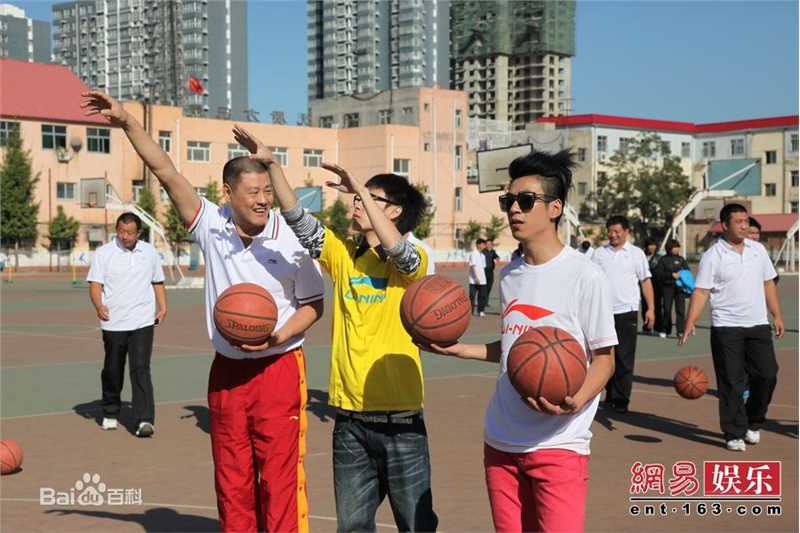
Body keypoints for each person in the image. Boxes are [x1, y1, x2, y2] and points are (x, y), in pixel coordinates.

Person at [82, 92, 325, 532]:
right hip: (228, 370)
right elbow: (165, 170)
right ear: (228, 193)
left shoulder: (291, 240)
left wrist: (276, 336)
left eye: (267, 192)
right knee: (231, 477)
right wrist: (126, 122)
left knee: (280, 478)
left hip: (279, 368)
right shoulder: (211, 225)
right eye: (253, 193)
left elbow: (313, 306)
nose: (262, 201)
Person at [230, 126, 438, 532]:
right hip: (350, 423)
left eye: (369, 200)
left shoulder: (415, 261)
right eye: (357, 198)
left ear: (393, 211)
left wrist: (357, 185)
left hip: (401, 423)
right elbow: (298, 220)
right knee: (352, 527)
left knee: (416, 525)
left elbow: (400, 252)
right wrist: (272, 166)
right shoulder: (345, 256)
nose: (356, 204)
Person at [424, 149, 616, 532]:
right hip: (501, 441)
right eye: (508, 201)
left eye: (525, 201)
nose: (514, 209)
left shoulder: (585, 275)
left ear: (555, 208)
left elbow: (605, 359)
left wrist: (575, 401)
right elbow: (516, 350)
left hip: (559, 444)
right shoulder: (511, 274)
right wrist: (461, 349)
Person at [680, 203, 784, 452]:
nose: (744, 226)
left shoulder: (758, 250)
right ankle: (733, 432)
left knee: (767, 375)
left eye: (746, 221)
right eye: (739, 222)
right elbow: (702, 290)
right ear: (725, 225)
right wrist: (690, 321)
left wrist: (777, 315)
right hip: (727, 328)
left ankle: (753, 421)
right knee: (732, 382)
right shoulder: (712, 256)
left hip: (758, 325)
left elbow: (768, 284)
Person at [87, 212, 166, 438]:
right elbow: (95, 284)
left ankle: (144, 420)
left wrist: (163, 306)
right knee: (113, 369)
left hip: (142, 320)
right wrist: (99, 305)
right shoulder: (104, 254)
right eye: (121, 231)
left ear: (138, 233)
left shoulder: (149, 252)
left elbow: (157, 281)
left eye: (130, 233)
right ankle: (110, 411)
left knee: (141, 369)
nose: (125, 236)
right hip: (114, 322)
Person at [591, 216, 655, 413]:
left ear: (627, 232)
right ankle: (608, 396)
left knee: (624, 358)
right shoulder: (599, 253)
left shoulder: (636, 254)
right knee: (603, 357)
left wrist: (650, 308)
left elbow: (645, 282)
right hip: (603, 313)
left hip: (626, 311)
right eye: (610, 231)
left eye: (617, 231)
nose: (613, 235)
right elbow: (590, 280)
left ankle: (621, 400)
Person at [653, 239, 688, 339]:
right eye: (675, 247)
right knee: (667, 309)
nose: (677, 249)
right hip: (667, 288)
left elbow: (687, 271)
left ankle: (680, 331)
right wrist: (671, 275)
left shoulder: (681, 259)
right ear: (669, 248)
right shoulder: (663, 260)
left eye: (678, 247)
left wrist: (682, 274)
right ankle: (665, 329)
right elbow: (659, 274)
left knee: (680, 310)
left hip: (680, 288)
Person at [642, 239, 662, 335]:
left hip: (656, 286)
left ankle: (657, 327)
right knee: (644, 306)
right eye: (650, 245)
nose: (652, 247)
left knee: (657, 307)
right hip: (644, 285)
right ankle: (647, 327)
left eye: (654, 245)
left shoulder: (659, 258)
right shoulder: (642, 256)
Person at [469, 238, 488, 316]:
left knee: (482, 296)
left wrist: (481, 278)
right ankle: (471, 311)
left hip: (482, 280)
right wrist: (476, 277)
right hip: (473, 280)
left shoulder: (483, 255)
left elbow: (483, 267)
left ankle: (481, 311)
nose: (484, 246)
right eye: (483, 244)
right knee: (472, 296)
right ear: (478, 244)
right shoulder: (473, 254)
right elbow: (473, 266)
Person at [483, 239, 500, 306]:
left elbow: (496, 256)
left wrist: (497, 258)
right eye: (487, 244)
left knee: (489, 287)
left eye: (490, 244)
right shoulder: (483, 252)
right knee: (483, 287)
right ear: (485, 245)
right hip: (484, 271)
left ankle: (486, 301)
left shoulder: (493, 251)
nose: (489, 245)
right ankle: (483, 301)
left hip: (490, 272)